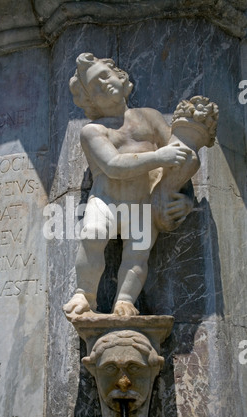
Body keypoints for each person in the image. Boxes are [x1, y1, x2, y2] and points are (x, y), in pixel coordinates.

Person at [63, 53, 193, 317]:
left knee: (137, 254)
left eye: (105, 77)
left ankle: (125, 300)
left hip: (144, 201)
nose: (104, 85)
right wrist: (158, 157)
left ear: (121, 78)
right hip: (106, 199)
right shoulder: (93, 131)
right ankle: (85, 294)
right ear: (89, 101)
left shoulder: (150, 118)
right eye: (95, 87)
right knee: (92, 234)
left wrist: (186, 197)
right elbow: (113, 165)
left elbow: (182, 160)